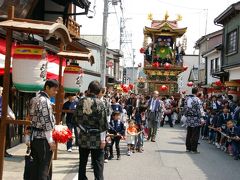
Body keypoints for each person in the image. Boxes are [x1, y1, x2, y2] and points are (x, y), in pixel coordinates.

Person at [74, 80, 108, 180]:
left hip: (83, 137)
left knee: (82, 162)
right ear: (98, 92)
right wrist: (103, 140)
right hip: (96, 138)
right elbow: (103, 123)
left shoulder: (80, 101)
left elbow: (76, 120)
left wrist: (80, 133)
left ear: (88, 90)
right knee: (98, 163)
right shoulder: (100, 103)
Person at [29, 79, 59, 180]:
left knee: (36, 167)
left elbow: (30, 118)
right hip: (43, 139)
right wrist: (51, 141)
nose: (56, 92)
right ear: (47, 87)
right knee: (44, 168)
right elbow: (46, 123)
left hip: (34, 137)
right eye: (54, 90)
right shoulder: (45, 101)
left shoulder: (35, 99)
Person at [183, 87, 204, 153]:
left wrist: (186, 115)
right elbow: (199, 110)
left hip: (189, 118)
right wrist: (202, 118)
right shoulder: (197, 99)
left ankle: (188, 148)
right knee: (195, 134)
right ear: (197, 92)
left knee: (189, 133)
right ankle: (193, 149)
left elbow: (185, 109)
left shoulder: (187, 99)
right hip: (196, 119)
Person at [0, 86, 16, 157]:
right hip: (2, 119)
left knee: (7, 135)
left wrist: (11, 116)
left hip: (5, 119)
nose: (2, 92)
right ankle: (3, 151)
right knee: (4, 135)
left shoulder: (2, 99)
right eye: (1, 91)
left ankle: (4, 151)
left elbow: (7, 108)